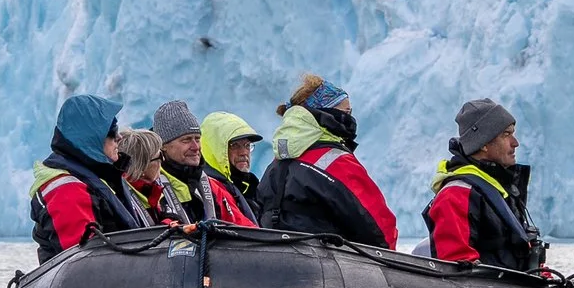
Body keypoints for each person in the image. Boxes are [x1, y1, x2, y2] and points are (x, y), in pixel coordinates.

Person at [257, 75, 397, 248]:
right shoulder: (335, 161)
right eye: (346, 112)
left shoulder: (277, 165)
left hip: (278, 259)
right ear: (325, 113)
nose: (350, 119)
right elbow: (379, 224)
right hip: (329, 263)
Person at [424, 97, 546, 273]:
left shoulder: (499, 191)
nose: (515, 143)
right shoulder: (457, 194)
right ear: (483, 144)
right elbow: (456, 266)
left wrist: (543, 276)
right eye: (506, 134)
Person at [29, 93, 145, 262]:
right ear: (91, 139)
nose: (119, 137)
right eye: (112, 132)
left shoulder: (95, 177)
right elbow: (83, 261)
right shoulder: (66, 190)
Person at [198, 111, 263, 226]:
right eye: (235, 145)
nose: (244, 153)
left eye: (247, 145)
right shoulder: (207, 188)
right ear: (216, 149)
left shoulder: (249, 186)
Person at [117, 128, 178, 225]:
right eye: (159, 156)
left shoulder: (153, 189)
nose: (163, 160)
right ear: (141, 166)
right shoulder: (120, 199)